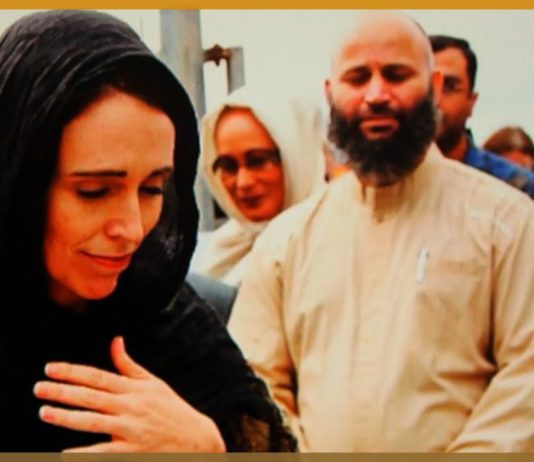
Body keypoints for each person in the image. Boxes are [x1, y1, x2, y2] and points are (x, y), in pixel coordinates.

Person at [229, 12, 534, 451]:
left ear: (433, 87)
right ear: (331, 93)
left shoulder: (508, 225)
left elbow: (524, 383)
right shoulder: (288, 240)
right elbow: (253, 382)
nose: (376, 95)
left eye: (396, 75)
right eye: (357, 78)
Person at [0, 10, 296, 452]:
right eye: (95, 192)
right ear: (18, 179)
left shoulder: (172, 324)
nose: (133, 229)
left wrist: (207, 448)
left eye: (153, 189)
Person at [191, 85, 326, 287]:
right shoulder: (224, 248)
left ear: (298, 156)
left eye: (258, 161)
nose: (243, 182)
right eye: (228, 166)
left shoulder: (331, 247)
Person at [430, 34, 534, 197]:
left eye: (450, 87)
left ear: (471, 101)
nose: (435, 100)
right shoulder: (388, 181)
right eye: (426, 85)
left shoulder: (515, 186)